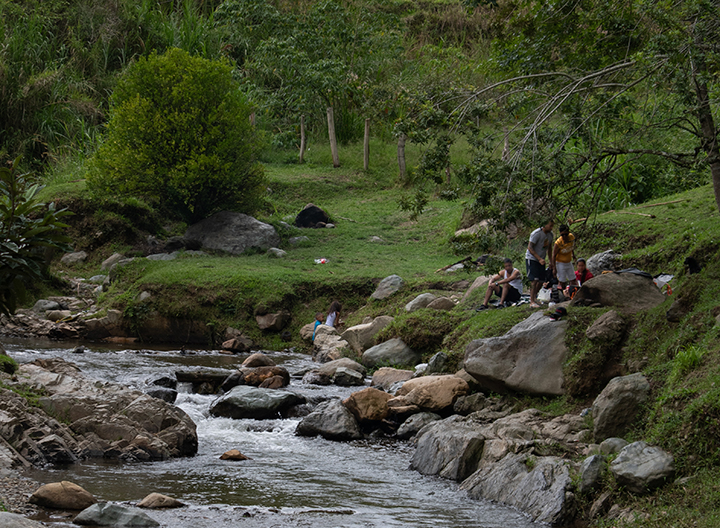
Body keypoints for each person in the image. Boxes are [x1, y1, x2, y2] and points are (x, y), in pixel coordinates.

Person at [525, 220, 554, 308]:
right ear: (544, 225)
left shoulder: (550, 235)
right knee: (534, 280)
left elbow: (549, 248)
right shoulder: (536, 233)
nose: (551, 227)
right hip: (532, 258)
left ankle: (535, 297)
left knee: (541, 280)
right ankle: (532, 301)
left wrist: (550, 261)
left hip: (542, 259)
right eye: (550, 225)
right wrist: (539, 258)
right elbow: (530, 247)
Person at [552, 224, 577, 290]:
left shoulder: (571, 237)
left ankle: (572, 292)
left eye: (566, 234)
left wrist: (573, 255)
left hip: (568, 261)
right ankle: (562, 293)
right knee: (562, 281)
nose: (564, 236)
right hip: (560, 262)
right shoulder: (558, 242)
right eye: (562, 235)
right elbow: (554, 255)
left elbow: (571, 247)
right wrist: (554, 268)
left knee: (573, 279)